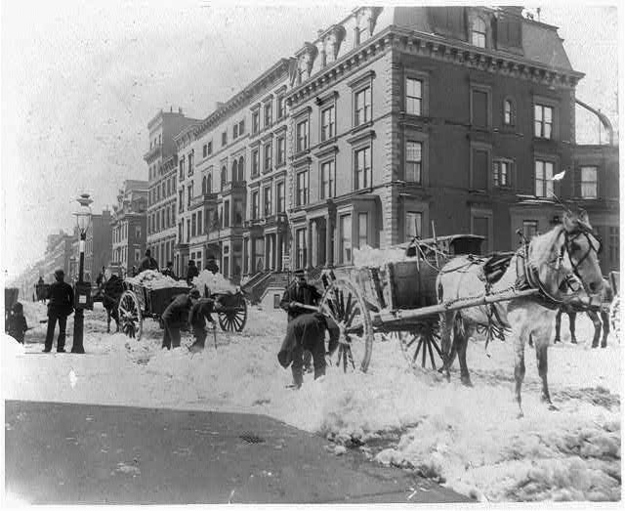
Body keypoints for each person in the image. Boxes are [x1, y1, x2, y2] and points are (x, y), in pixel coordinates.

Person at [277, 312, 340, 389]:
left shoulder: (302, 318)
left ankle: (297, 384)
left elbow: (287, 344)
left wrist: (284, 357)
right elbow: (335, 330)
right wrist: (330, 351)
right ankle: (319, 383)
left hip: (294, 328)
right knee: (319, 358)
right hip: (312, 326)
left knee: (297, 356)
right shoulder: (325, 319)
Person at [44, 269, 74, 353]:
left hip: (53, 309)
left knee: (50, 329)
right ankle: (60, 347)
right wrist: (69, 307)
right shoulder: (68, 287)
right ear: (63, 277)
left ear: (56, 277)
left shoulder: (52, 286)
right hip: (63, 310)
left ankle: (48, 347)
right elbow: (72, 299)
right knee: (62, 330)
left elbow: (47, 296)